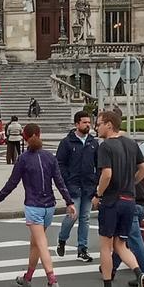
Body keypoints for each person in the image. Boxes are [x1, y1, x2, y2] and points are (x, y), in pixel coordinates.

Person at [0, 124, 76, 287]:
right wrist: (69, 201)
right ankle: (28, 277)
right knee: (36, 244)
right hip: (49, 207)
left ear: (24, 137)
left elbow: (12, 182)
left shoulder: (23, 158)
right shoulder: (49, 157)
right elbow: (59, 182)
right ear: (39, 134)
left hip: (33, 206)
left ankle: (52, 279)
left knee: (41, 244)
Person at [93, 110, 144, 287]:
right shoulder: (131, 143)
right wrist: (131, 183)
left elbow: (107, 174)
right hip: (129, 200)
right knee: (121, 244)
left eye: (99, 123)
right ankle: (140, 273)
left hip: (111, 201)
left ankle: (107, 284)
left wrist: (98, 194)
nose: (97, 127)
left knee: (105, 246)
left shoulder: (106, 146)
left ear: (109, 124)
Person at [56, 110, 99, 262]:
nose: (88, 125)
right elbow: (60, 164)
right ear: (77, 124)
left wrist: (96, 182)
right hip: (73, 186)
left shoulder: (93, 142)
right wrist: (66, 180)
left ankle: (82, 249)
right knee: (72, 216)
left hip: (88, 186)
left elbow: (98, 164)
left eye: (89, 122)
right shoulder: (67, 142)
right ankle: (62, 239)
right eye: (85, 122)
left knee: (85, 218)